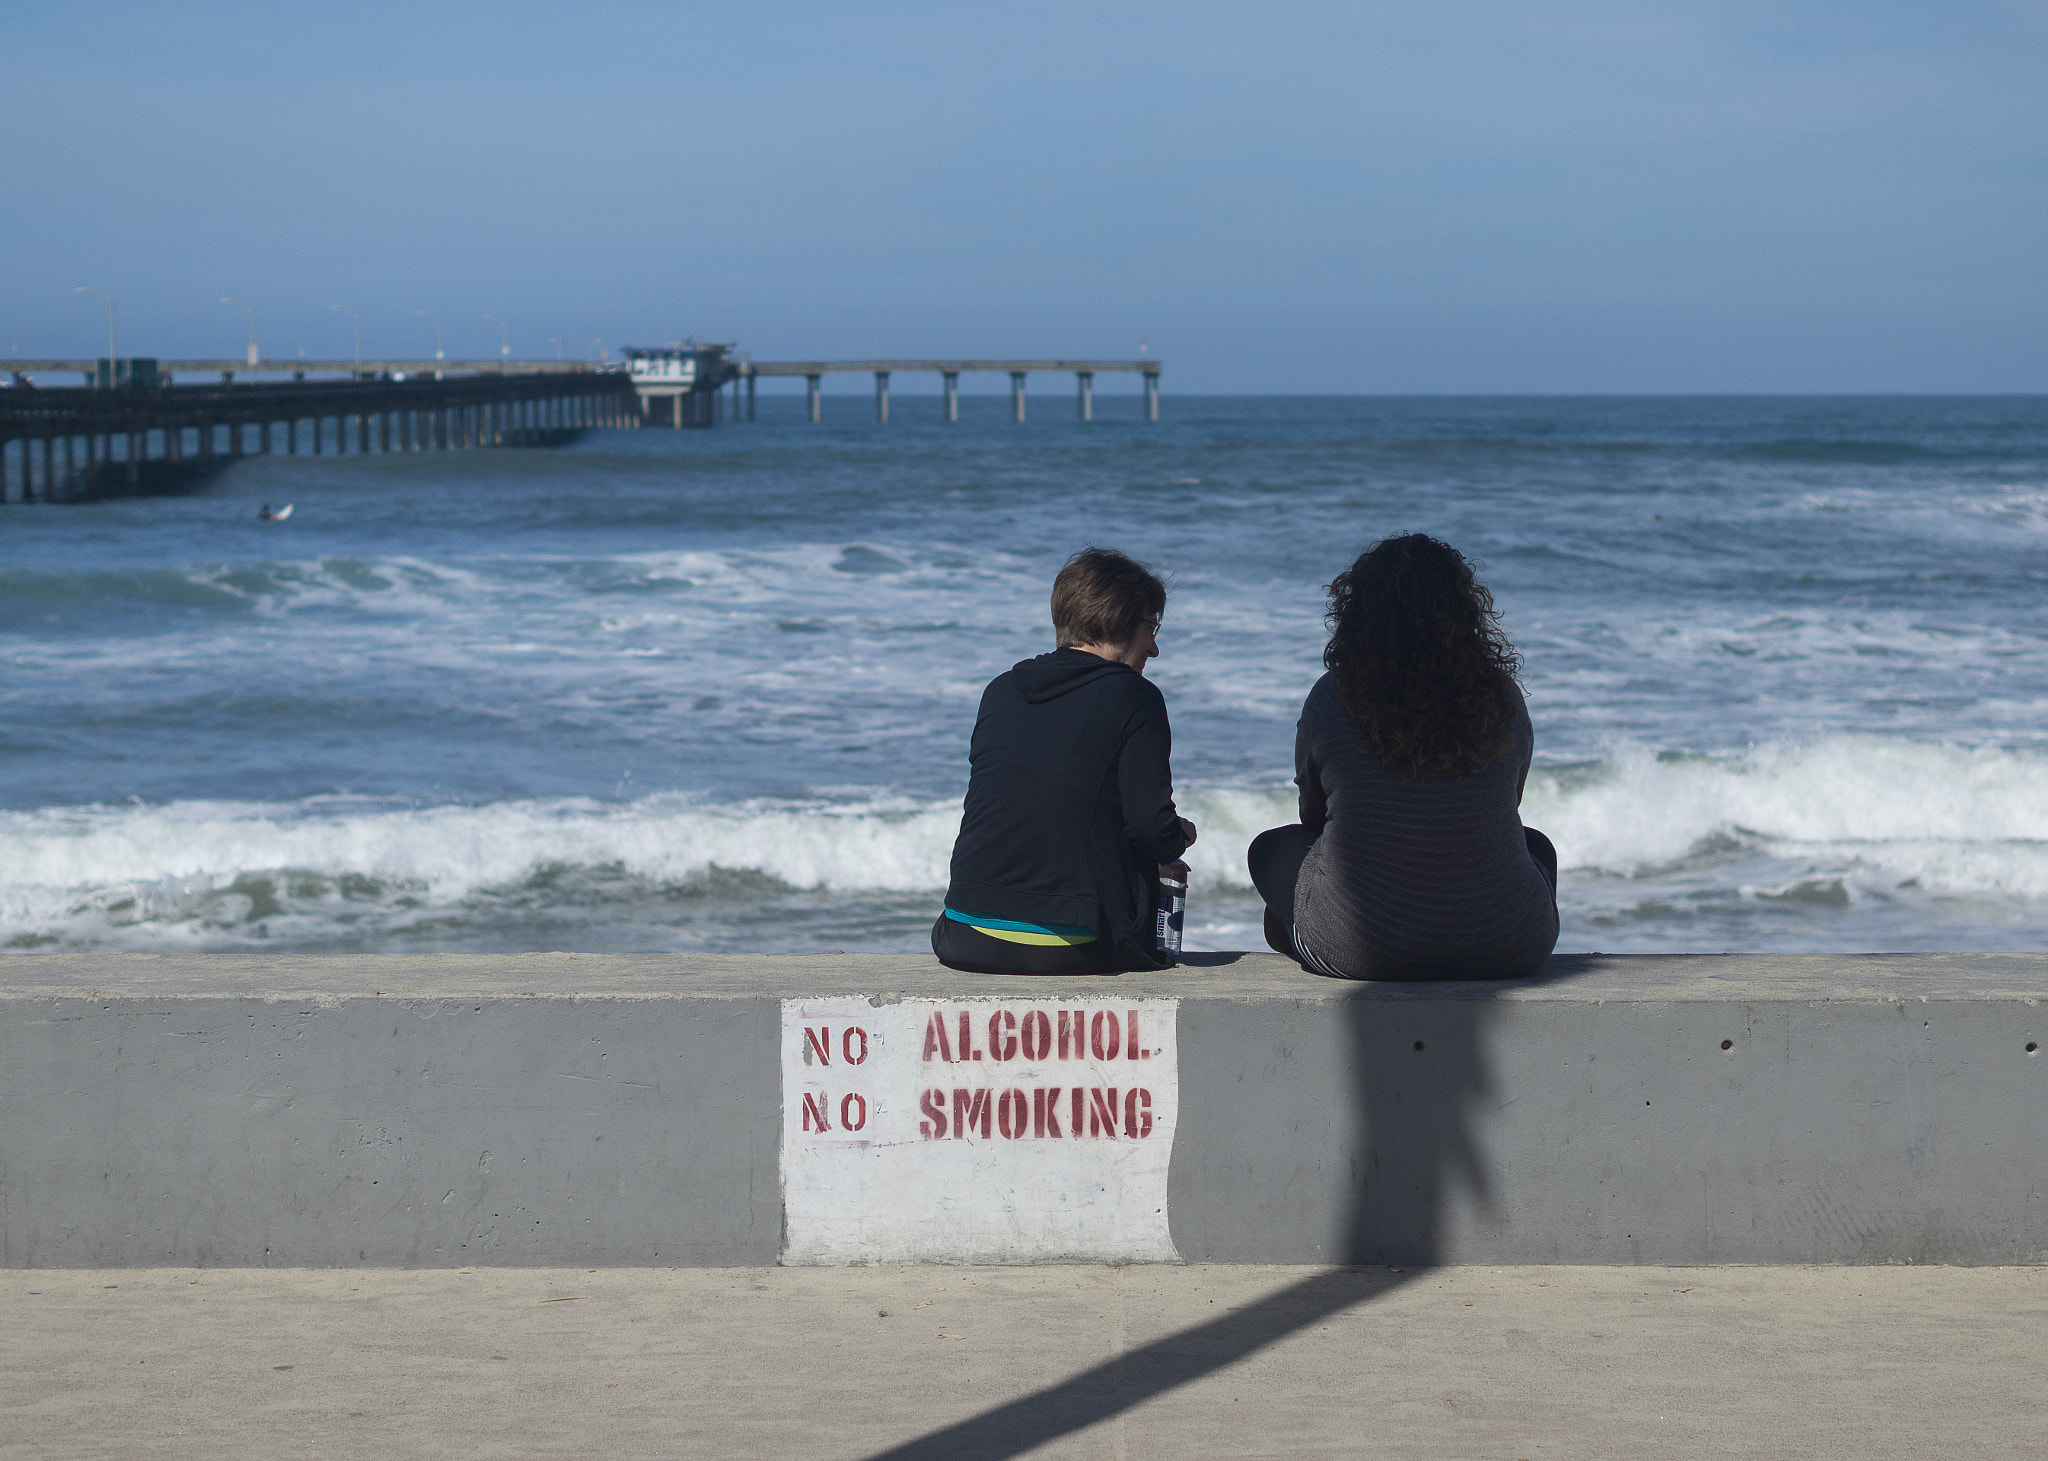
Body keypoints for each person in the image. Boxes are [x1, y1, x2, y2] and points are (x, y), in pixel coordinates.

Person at [1249, 534, 1558, 980]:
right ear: (1464, 613)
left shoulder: (1332, 695)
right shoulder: (1500, 695)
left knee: (1271, 847)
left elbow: (1313, 815)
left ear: (1359, 613)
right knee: (1536, 845)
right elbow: (1508, 802)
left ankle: (1308, 932)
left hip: (1364, 950)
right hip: (1511, 948)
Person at [934, 547, 1197, 974]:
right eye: (1151, 627)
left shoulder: (1001, 689)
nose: (1154, 648)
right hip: (1071, 945)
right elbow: (1150, 828)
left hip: (962, 936)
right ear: (1119, 621)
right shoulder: (1134, 696)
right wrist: (1178, 836)